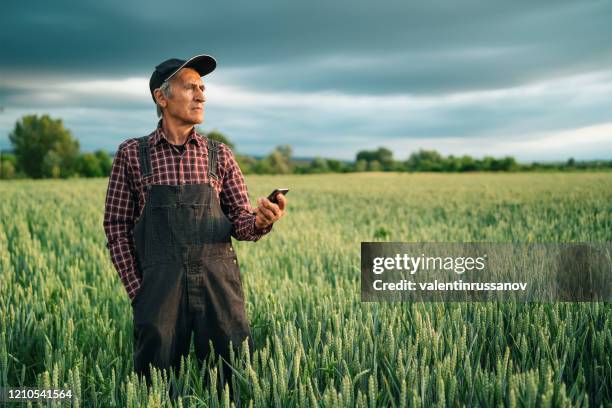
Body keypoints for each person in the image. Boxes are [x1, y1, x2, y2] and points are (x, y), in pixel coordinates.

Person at [102, 54, 287, 395]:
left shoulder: (220, 154)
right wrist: (139, 292)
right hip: (159, 291)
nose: (202, 95)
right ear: (162, 97)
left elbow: (241, 223)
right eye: (190, 87)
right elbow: (116, 226)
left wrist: (262, 221)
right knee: (154, 389)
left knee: (233, 382)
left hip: (219, 287)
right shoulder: (132, 154)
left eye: (203, 88)